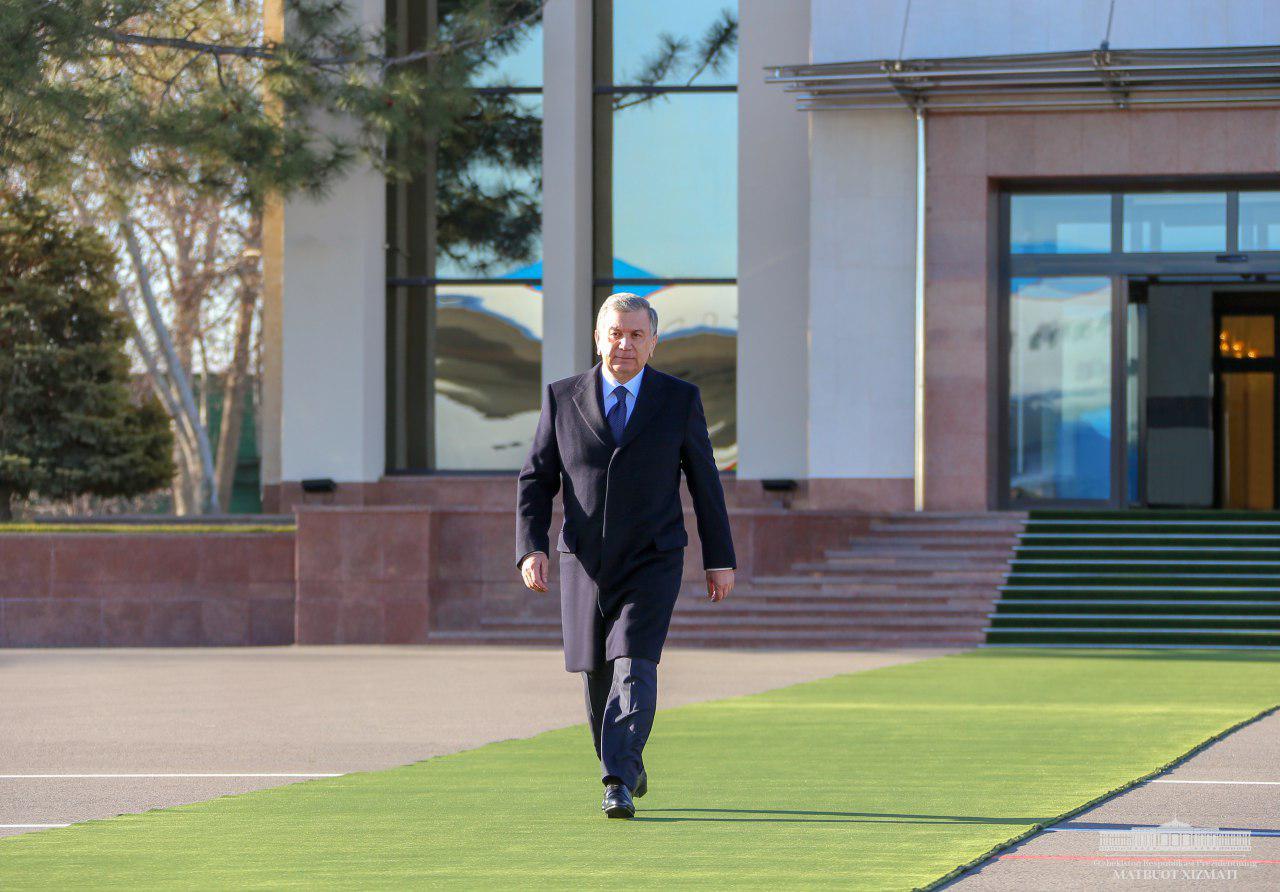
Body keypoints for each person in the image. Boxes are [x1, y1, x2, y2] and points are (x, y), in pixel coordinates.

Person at [515, 292, 736, 819]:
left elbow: (706, 484)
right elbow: (536, 479)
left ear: (653, 342)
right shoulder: (561, 397)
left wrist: (718, 558)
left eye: (637, 335)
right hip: (584, 562)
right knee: (594, 672)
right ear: (598, 338)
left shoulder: (679, 400)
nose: (625, 344)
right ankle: (625, 760)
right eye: (615, 333)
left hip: (653, 559)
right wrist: (531, 547)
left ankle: (615, 778)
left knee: (634, 660)